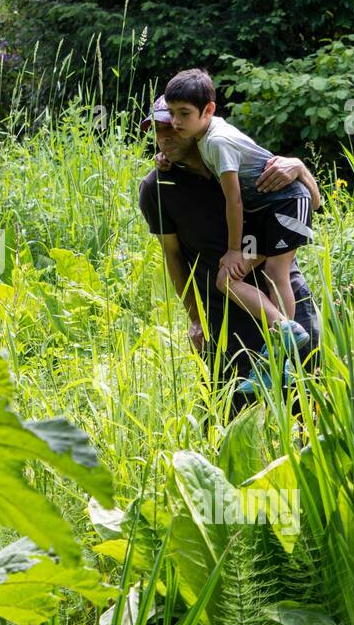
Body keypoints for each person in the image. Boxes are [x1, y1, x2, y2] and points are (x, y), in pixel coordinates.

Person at [138, 93, 321, 398]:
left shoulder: (231, 160)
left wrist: (300, 167)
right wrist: (195, 318)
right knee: (236, 423)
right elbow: (173, 258)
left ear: (195, 124)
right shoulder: (157, 188)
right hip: (225, 320)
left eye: (172, 126)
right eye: (158, 130)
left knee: (310, 414)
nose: (165, 137)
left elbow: (309, 202)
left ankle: (286, 337)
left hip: (285, 301)